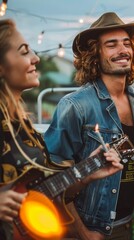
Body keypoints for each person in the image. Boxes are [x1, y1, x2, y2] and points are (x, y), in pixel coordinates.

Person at [0, 19, 122, 240]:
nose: (36, 58)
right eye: (24, 52)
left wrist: (87, 175)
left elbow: (45, 191)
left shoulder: (21, 124)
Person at [44, 12, 134, 239]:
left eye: (126, 44)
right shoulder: (74, 105)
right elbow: (52, 183)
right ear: (95, 54)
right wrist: (83, 233)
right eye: (111, 45)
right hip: (98, 230)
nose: (123, 51)